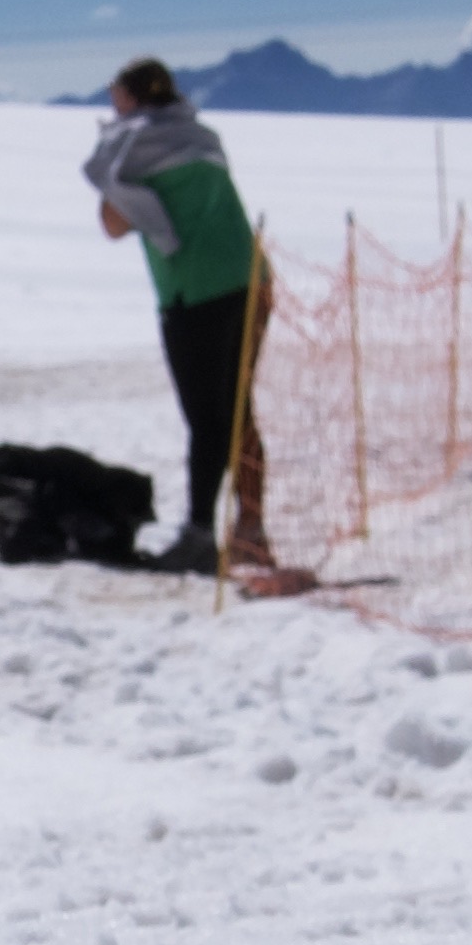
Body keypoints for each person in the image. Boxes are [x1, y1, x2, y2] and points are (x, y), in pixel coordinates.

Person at [82, 58, 276, 577]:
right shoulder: (199, 135)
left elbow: (113, 223)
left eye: (114, 92)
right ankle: (252, 528)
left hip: (196, 288)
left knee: (206, 418)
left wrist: (111, 164)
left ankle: (198, 533)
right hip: (251, 277)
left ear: (131, 96)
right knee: (239, 410)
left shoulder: (132, 149)